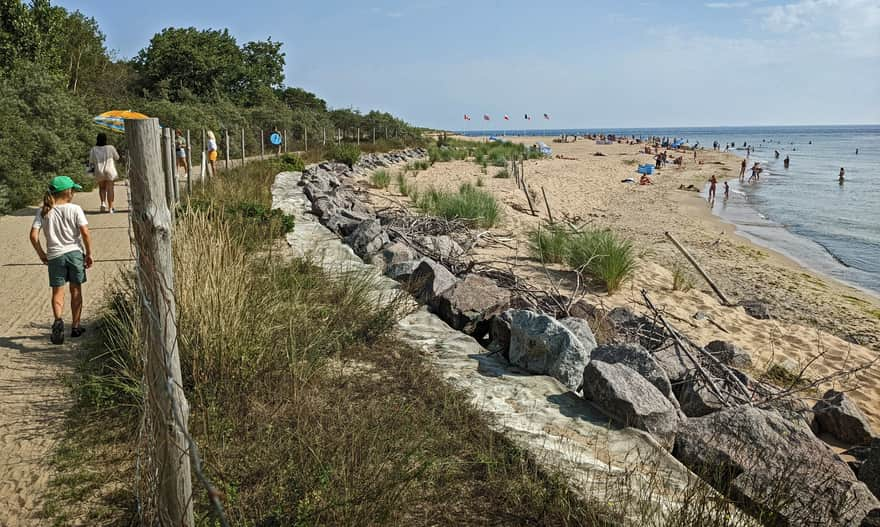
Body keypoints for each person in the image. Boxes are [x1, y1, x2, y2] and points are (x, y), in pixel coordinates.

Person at [29, 176, 93, 345]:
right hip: (74, 253)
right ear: (68, 192)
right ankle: (76, 327)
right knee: (76, 290)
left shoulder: (43, 210)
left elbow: (33, 236)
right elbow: (85, 233)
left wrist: (41, 254)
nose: (74, 193)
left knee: (58, 292)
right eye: (73, 190)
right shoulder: (75, 209)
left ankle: (58, 321)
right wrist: (88, 253)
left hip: (55, 256)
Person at [89, 133, 119, 213]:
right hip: (110, 170)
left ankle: (103, 203)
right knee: (110, 189)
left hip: (99, 171)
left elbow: (91, 161)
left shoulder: (93, 149)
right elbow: (117, 157)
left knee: (102, 188)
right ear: (106, 139)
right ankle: (110, 208)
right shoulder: (110, 147)